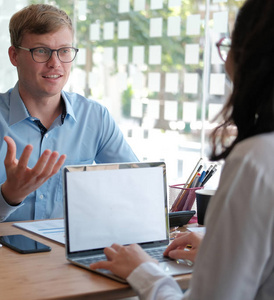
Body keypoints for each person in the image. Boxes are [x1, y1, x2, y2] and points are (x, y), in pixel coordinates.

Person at [90, 0, 274, 299]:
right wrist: (217, 254)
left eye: (229, 45)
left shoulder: (256, 159)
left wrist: (142, 269)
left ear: (248, 58)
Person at [0, 4, 138, 227]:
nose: (55, 63)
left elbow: (135, 185)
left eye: (64, 51)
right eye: (41, 50)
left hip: (65, 255)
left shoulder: (95, 117)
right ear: (14, 56)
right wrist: (9, 194)